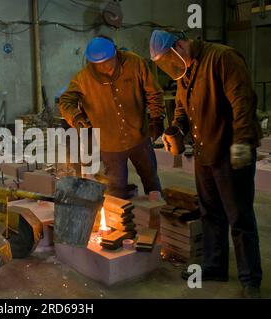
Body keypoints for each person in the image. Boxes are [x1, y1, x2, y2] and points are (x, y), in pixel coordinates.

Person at [149, 30, 263, 298]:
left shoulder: (222, 58)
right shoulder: (184, 72)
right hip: (205, 153)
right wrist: (176, 128)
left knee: (240, 217)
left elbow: (242, 103)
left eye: (169, 58)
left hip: (229, 151)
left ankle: (251, 280)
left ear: (179, 45)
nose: (170, 66)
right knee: (210, 214)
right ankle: (214, 266)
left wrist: (242, 143)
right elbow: (181, 108)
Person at [59, 36, 165, 199]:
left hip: (139, 136)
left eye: (109, 61)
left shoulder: (135, 63)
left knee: (152, 181)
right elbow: (66, 101)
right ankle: (121, 219)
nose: (106, 67)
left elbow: (153, 91)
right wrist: (76, 116)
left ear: (116, 52)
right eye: (100, 64)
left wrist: (157, 117)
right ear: (92, 62)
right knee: (116, 190)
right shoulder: (83, 78)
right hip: (110, 145)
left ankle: (156, 212)